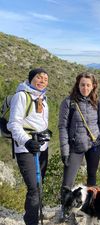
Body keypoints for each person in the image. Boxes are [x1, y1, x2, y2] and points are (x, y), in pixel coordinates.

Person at [58, 72, 100, 220]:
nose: (85, 88)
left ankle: (89, 208)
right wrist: (65, 150)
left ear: (93, 86)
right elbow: (62, 127)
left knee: (92, 178)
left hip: (94, 145)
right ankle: (65, 211)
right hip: (75, 146)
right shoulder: (68, 103)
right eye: (82, 84)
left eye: (88, 85)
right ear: (77, 85)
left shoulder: (96, 102)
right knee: (68, 182)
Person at [7, 68, 50, 225]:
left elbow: (39, 123)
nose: (42, 81)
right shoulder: (21, 96)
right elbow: (13, 124)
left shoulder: (42, 97)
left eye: (45, 79)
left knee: (39, 186)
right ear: (30, 79)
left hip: (42, 147)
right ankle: (31, 221)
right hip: (26, 148)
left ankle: (35, 216)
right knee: (34, 188)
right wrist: (27, 141)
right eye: (39, 78)